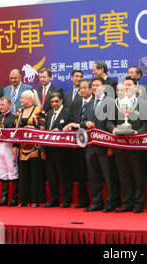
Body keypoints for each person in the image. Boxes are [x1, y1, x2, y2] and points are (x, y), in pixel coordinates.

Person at [107, 76, 147, 213]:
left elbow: (146, 124)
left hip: (135, 146)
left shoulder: (142, 103)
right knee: (124, 176)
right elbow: (109, 121)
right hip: (120, 145)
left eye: (130, 85)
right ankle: (127, 202)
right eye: (125, 86)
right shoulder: (116, 102)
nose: (127, 88)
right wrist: (113, 128)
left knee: (137, 175)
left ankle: (138, 203)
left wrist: (138, 132)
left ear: (136, 88)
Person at [82, 77, 121, 212]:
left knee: (109, 176)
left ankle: (112, 201)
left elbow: (112, 123)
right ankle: (97, 202)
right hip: (91, 146)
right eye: (92, 85)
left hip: (105, 146)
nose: (94, 88)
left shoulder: (110, 102)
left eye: (97, 85)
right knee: (93, 176)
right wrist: (85, 123)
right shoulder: (89, 102)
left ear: (104, 87)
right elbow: (82, 121)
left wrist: (111, 145)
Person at [63, 79, 93, 208]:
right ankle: (83, 200)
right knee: (80, 173)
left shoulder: (95, 102)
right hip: (78, 143)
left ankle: (97, 201)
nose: (83, 90)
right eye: (81, 88)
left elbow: (90, 122)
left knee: (92, 173)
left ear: (91, 89)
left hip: (92, 143)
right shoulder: (75, 103)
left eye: (85, 88)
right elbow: (70, 119)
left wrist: (76, 124)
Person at [41, 93, 73, 208]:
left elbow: (72, 131)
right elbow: (45, 132)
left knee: (64, 176)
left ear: (61, 100)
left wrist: (59, 130)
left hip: (62, 151)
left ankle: (66, 200)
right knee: (52, 176)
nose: (54, 104)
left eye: (56, 101)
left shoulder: (68, 113)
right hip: (49, 150)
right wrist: (43, 149)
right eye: (52, 102)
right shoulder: (49, 114)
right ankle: (54, 199)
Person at [15, 90, 47, 207]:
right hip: (23, 147)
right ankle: (23, 199)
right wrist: (15, 146)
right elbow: (16, 129)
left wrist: (33, 127)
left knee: (35, 174)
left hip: (35, 147)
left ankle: (36, 200)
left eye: (22, 98)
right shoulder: (20, 111)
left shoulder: (39, 110)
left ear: (29, 99)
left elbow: (44, 127)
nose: (21, 100)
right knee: (23, 174)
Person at [0, 96, 19, 207]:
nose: (1, 107)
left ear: (9, 105)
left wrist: (15, 146)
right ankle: (4, 198)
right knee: (2, 171)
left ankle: (15, 199)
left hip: (10, 146)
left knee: (12, 171)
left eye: (3, 105)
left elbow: (17, 133)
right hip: (0, 146)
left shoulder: (15, 117)